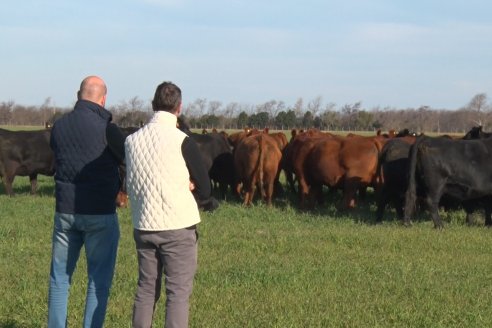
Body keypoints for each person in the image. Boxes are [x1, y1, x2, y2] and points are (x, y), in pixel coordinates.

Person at [125, 81, 218, 328]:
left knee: (146, 290)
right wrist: (191, 185)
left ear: (153, 105)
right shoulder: (182, 140)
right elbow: (206, 187)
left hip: (144, 225)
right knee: (177, 294)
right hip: (177, 227)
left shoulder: (131, 141)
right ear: (179, 107)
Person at [48, 75, 126, 328]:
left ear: (78, 95)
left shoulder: (59, 126)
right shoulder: (108, 130)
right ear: (103, 99)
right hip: (100, 213)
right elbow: (127, 162)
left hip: (66, 211)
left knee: (59, 278)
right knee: (98, 280)